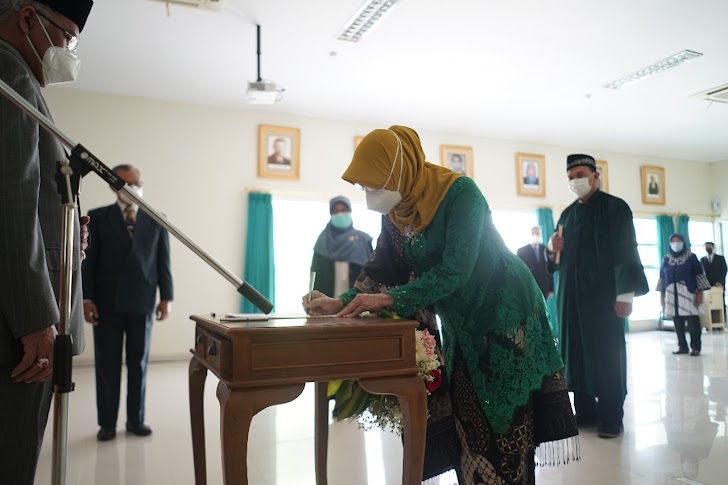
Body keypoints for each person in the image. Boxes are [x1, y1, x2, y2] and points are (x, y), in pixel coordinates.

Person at [305, 126, 577, 484]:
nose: (370, 196)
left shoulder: (461, 194)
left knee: (506, 413)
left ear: (399, 170)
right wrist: (336, 301)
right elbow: (382, 268)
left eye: (374, 186)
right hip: (462, 320)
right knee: (468, 411)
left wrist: (390, 298)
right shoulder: (397, 212)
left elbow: (454, 270)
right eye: (364, 189)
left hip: (506, 309)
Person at [0, 1, 93, 483]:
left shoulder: (23, 81)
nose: (68, 51)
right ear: (28, 18)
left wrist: (68, 223)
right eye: (68, 36)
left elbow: (33, 195)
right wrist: (37, 319)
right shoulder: (8, 76)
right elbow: (11, 200)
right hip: (21, 333)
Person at [547, 153, 649, 439]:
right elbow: (553, 261)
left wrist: (625, 295)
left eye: (580, 174)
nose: (575, 181)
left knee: (606, 357)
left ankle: (611, 417)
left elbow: (626, 250)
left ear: (595, 175)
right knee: (576, 356)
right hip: (571, 302)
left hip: (603, 301)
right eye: (570, 177)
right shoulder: (567, 214)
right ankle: (586, 413)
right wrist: (550, 247)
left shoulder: (615, 209)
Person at [82, 164, 173, 441]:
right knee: (107, 366)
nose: (134, 187)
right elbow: (89, 264)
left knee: (139, 364)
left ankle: (136, 419)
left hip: (143, 302)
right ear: (113, 185)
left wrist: (166, 297)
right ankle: (107, 423)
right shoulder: (97, 218)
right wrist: (86, 299)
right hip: (106, 304)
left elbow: (163, 261)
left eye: (138, 182)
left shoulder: (157, 219)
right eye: (127, 183)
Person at [657, 234, 710, 356]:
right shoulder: (666, 259)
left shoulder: (691, 257)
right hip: (671, 294)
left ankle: (695, 347)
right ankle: (682, 346)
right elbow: (662, 278)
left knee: (693, 323)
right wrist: (661, 297)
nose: (676, 243)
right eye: (673, 241)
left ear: (683, 243)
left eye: (679, 241)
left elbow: (699, 275)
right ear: (670, 243)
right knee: (677, 323)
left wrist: (700, 293)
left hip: (689, 293)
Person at [311, 196, 373, 296]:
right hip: (327, 302)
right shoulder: (323, 240)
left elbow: (372, 273)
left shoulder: (363, 239)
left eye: (344, 210)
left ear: (350, 211)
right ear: (331, 214)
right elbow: (315, 275)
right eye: (336, 211)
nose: (340, 214)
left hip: (358, 301)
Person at [516, 226, 553, 299]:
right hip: (528, 289)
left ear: (541, 235)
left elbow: (550, 268)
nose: (535, 235)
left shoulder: (546, 249)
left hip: (544, 288)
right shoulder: (521, 251)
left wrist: (551, 288)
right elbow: (519, 272)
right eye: (533, 233)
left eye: (537, 233)